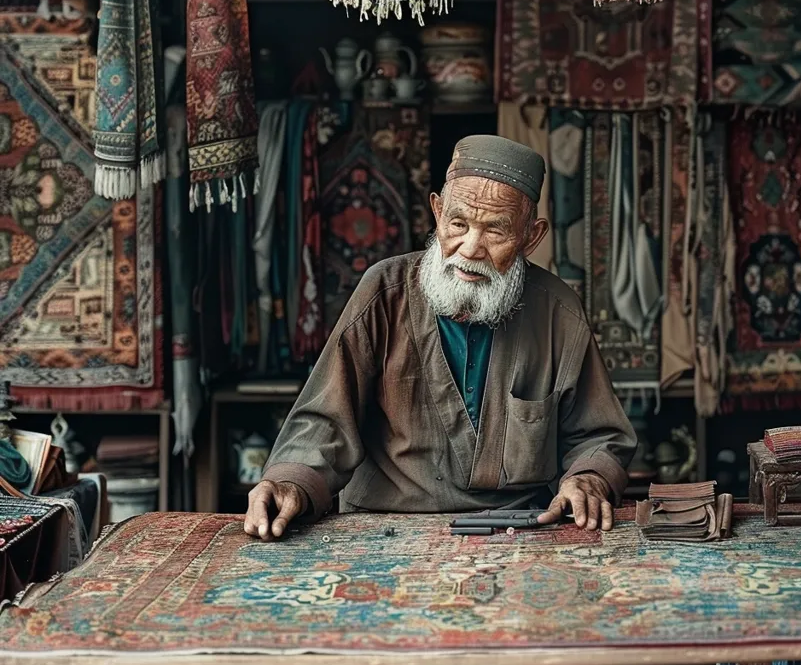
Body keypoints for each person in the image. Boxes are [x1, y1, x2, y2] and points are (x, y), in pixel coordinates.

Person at [245, 135, 637, 541]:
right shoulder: (384, 291)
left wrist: (588, 477)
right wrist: (290, 481)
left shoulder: (557, 309)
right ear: (437, 212)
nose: (470, 248)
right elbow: (326, 417)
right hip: (388, 527)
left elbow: (598, 434)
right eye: (458, 223)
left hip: (519, 529)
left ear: (530, 237)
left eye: (495, 232)